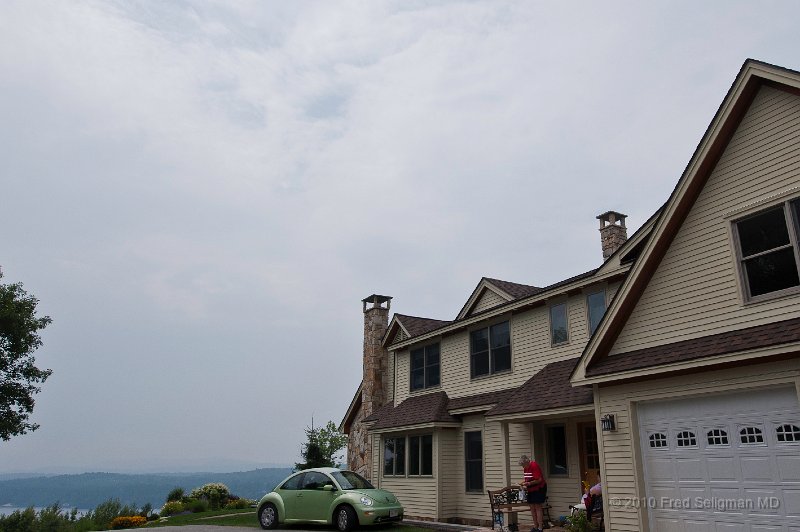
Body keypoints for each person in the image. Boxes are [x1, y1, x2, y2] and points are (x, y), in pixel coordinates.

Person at [518, 455, 547, 532]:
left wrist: (529, 484)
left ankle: (540, 527)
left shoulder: (534, 465)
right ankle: (535, 526)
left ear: (527, 462)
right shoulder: (525, 468)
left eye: (523, 465)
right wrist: (522, 483)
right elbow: (528, 479)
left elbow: (539, 479)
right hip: (531, 489)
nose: (523, 467)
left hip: (539, 488)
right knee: (532, 507)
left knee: (537, 507)